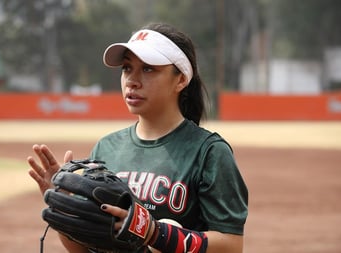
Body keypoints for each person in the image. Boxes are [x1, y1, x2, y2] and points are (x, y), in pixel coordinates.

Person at [28, 22, 248, 253]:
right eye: (126, 68)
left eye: (148, 69)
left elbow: (231, 246)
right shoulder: (107, 148)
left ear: (181, 79)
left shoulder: (208, 152)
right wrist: (65, 210)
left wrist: (157, 234)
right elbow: (84, 249)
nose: (132, 80)